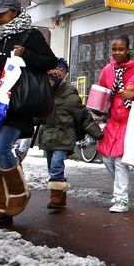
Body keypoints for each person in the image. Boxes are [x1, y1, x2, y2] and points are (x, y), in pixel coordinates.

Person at [0, 0, 57, 224]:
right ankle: (2, 208)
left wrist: (26, 54)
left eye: (2, 12)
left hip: (15, 106)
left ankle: (19, 194)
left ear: (15, 12)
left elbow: (50, 62)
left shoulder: (30, 35)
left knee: (0, 150)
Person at [96, 35, 134, 213]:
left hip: (131, 122)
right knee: (107, 158)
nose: (117, 52)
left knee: (120, 162)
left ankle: (121, 200)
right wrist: (96, 109)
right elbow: (103, 93)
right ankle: (123, 188)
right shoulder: (107, 70)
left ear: (128, 50)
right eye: (114, 49)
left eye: (121, 49)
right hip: (112, 121)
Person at [37, 59, 103, 209]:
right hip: (48, 136)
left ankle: (56, 198)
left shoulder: (69, 96)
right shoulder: (44, 95)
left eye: (50, 79)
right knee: (52, 168)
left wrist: (96, 133)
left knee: (56, 165)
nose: (47, 82)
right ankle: (61, 195)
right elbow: (38, 116)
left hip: (64, 136)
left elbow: (83, 116)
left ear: (58, 78)